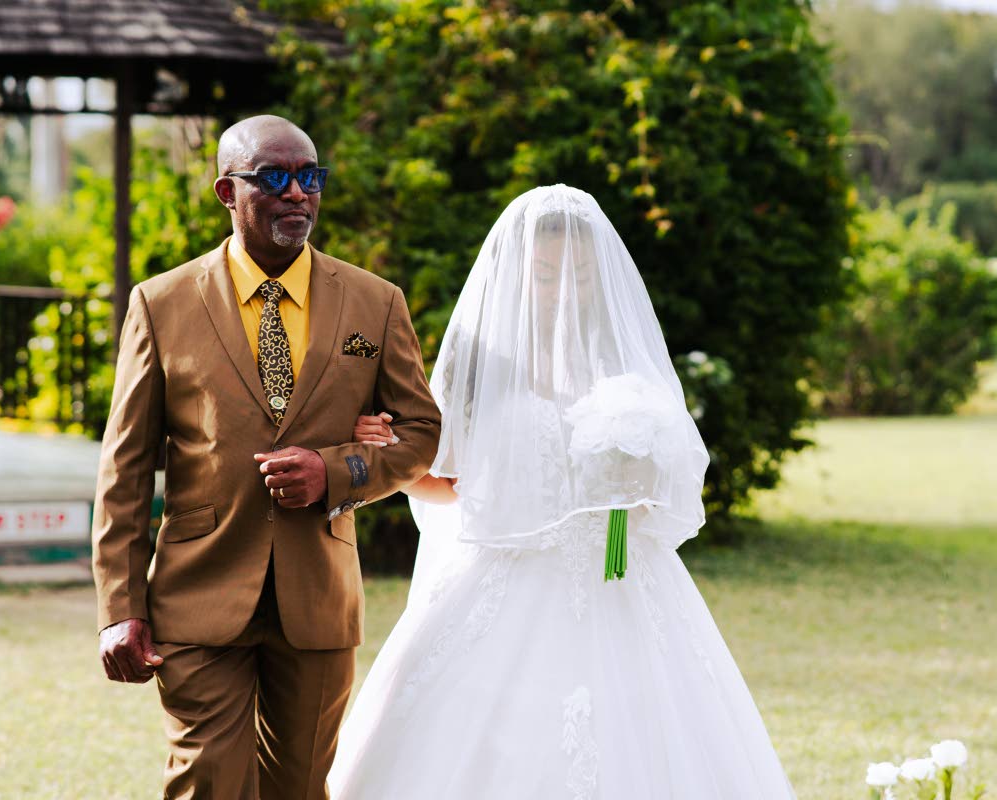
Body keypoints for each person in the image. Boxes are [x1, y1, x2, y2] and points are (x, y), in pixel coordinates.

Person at [330, 185, 795, 799]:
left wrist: (641, 466)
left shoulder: (621, 362)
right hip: (501, 578)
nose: (565, 292)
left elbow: (661, 497)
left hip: (620, 583)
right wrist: (390, 452)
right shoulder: (481, 363)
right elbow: (443, 484)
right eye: (547, 276)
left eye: (580, 276)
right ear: (518, 276)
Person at [90, 115, 441, 800]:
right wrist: (120, 604)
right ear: (227, 190)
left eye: (310, 178)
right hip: (198, 592)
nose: (296, 195)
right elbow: (125, 469)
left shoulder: (375, 303)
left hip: (318, 595)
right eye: (273, 178)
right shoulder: (160, 305)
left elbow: (421, 432)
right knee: (208, 781)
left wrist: (336, 473)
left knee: (299, 789)